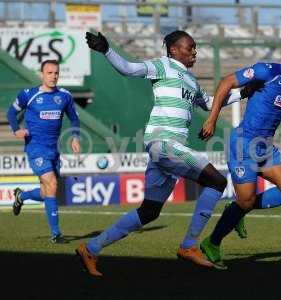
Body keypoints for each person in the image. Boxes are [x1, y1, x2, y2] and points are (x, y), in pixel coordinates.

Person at [76, 30, 254, 276]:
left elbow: (213, 102)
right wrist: (107, 49)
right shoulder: (162, 66)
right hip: (164, 143)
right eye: (189, 47)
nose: (194, 51)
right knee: (217, 180)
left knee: (149, 212)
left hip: (166, 150)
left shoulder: (191, 81)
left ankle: (91, 248)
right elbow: (128, 68)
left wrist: (244, 92)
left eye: (195, 47)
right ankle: (189, 246)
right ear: (173, 49)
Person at [198, 42, 281, 269]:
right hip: (243, 144)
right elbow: (226, 82)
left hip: (265, 147)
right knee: (246, 199)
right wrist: (212, 119)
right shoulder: (266, 71)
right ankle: (212, 242)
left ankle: (239, 210)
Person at [7, 60, 81, 244]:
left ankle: (21, 196)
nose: (53, 76)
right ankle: (56, 234)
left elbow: (74, 119)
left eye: (56, 73)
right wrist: (16, 129)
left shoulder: (64, 96)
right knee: (53, 184)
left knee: (47, 191)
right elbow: (10, 113)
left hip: (53, 150)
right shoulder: (28, 95)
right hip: (35, 148)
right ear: (42, 74)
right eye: (49, 73)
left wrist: (75, 137)